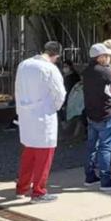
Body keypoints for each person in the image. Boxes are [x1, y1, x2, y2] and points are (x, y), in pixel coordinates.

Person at [14, 41, 67, 202]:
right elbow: (60, 93)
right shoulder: (50, 68)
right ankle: (38, 191)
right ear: (56, 55)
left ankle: (22, 187)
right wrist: (55, 108)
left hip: (26, 115)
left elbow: (17, 88)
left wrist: (19, 110)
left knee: (28, 154)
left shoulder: (24, 64)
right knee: (44, 155)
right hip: (44, 115)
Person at [82, 43, 111, 191]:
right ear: (100, 57)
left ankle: (89, 175)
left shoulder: (86, 71)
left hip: (91, 113)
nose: (109, 58)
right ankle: (106, 180)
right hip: (106, 113)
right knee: (106, 148)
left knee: (91, 146)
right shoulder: (106, 71)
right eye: (107, 55)